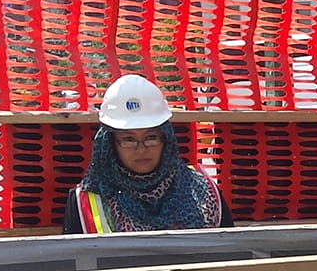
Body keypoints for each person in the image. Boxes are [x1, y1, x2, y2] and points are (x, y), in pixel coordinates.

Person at [62, 74, 230, 233]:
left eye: (151, 137)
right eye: (128, 139)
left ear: (166, 140)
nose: (141, 149)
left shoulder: (206, 192)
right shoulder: (84, 203)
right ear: (111, 144)